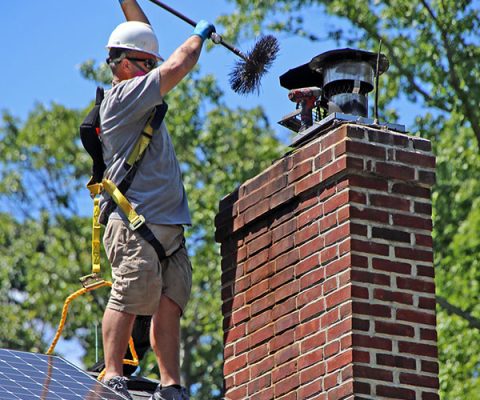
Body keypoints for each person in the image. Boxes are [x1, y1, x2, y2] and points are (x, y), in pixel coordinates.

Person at [98, 1, 215, 399]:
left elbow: (141, 34)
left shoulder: (138, 82)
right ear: (125, 65)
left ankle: (171, 385)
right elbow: (178, 66)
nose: (152, 71)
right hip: (135, 222)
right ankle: (112, 372)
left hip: (167, 228)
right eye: (145, 64)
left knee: (170, 304)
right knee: (130, 292)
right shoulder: (122, 99)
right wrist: (198, 36)